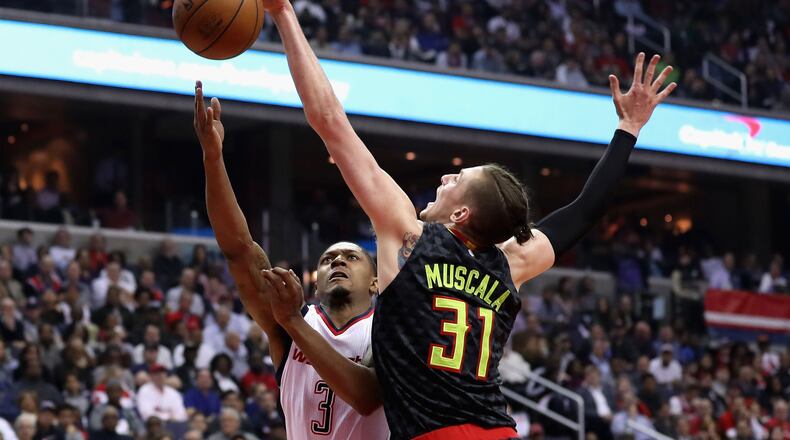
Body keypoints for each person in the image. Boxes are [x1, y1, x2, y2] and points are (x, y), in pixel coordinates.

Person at [259, 3, 676, 437]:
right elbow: (585, 210)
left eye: (456, 179)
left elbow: (330, 121)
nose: (444, 177)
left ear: (461, 213)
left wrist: (284, 12)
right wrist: (629, 129)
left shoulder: (410, 238)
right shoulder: (510, 263)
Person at [194, 84, 388, 438]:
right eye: (328, 259)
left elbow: (367, 397)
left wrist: (292, 322)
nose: (338, 261)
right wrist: (213, 159)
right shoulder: (290, 321)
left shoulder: (386, 327)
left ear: (376, 281)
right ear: (317, 278)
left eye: (352, 257)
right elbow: (238, 250)